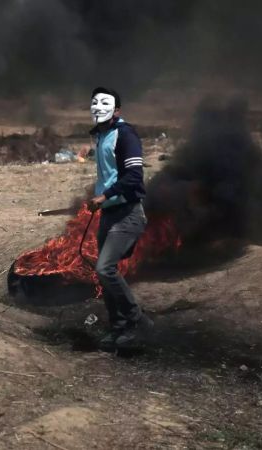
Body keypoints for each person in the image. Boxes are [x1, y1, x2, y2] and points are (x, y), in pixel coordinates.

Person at [88, 87, 154, 351]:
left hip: (128, 214)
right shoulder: (102, 135)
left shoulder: (125, 135)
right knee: (104, 273)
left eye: (105, 103)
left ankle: (137, 321)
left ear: (117, 110)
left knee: (105, 268)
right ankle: (118, 327)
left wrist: (104, 197)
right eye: (94, 103)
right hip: (110, 214)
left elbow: (134, 178)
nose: (98, 107)